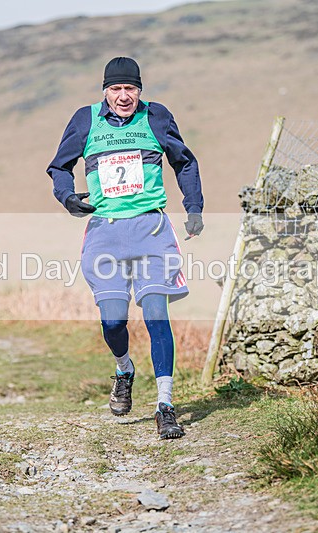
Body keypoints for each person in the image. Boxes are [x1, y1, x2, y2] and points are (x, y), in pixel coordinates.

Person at [46, 57, 204, 439]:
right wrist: (68, 197)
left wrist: (194, 207)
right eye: (115, 89)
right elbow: (59, 167)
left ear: (139, 90)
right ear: (105, 91)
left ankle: (165, 406)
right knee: (114, 322)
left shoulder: (156, 117)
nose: (123, 96)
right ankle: (124, 370)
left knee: (156, 315)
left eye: (130, 88)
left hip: (151, 230)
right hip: (105, 233)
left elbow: (184, 162)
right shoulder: (85, 120)